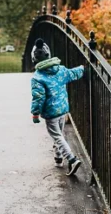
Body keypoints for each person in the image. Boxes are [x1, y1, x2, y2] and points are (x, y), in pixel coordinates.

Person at [30, 38, 84, 176]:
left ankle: (71, 159)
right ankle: (58, 158)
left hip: (51, 113)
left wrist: (35, 114)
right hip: (63, 110)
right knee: (59, 134)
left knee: (57, 136)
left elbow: (38, 98)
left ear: (34, 59)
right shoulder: (60, 70)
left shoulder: (37, 78)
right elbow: (73, 74)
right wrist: (84, 68)